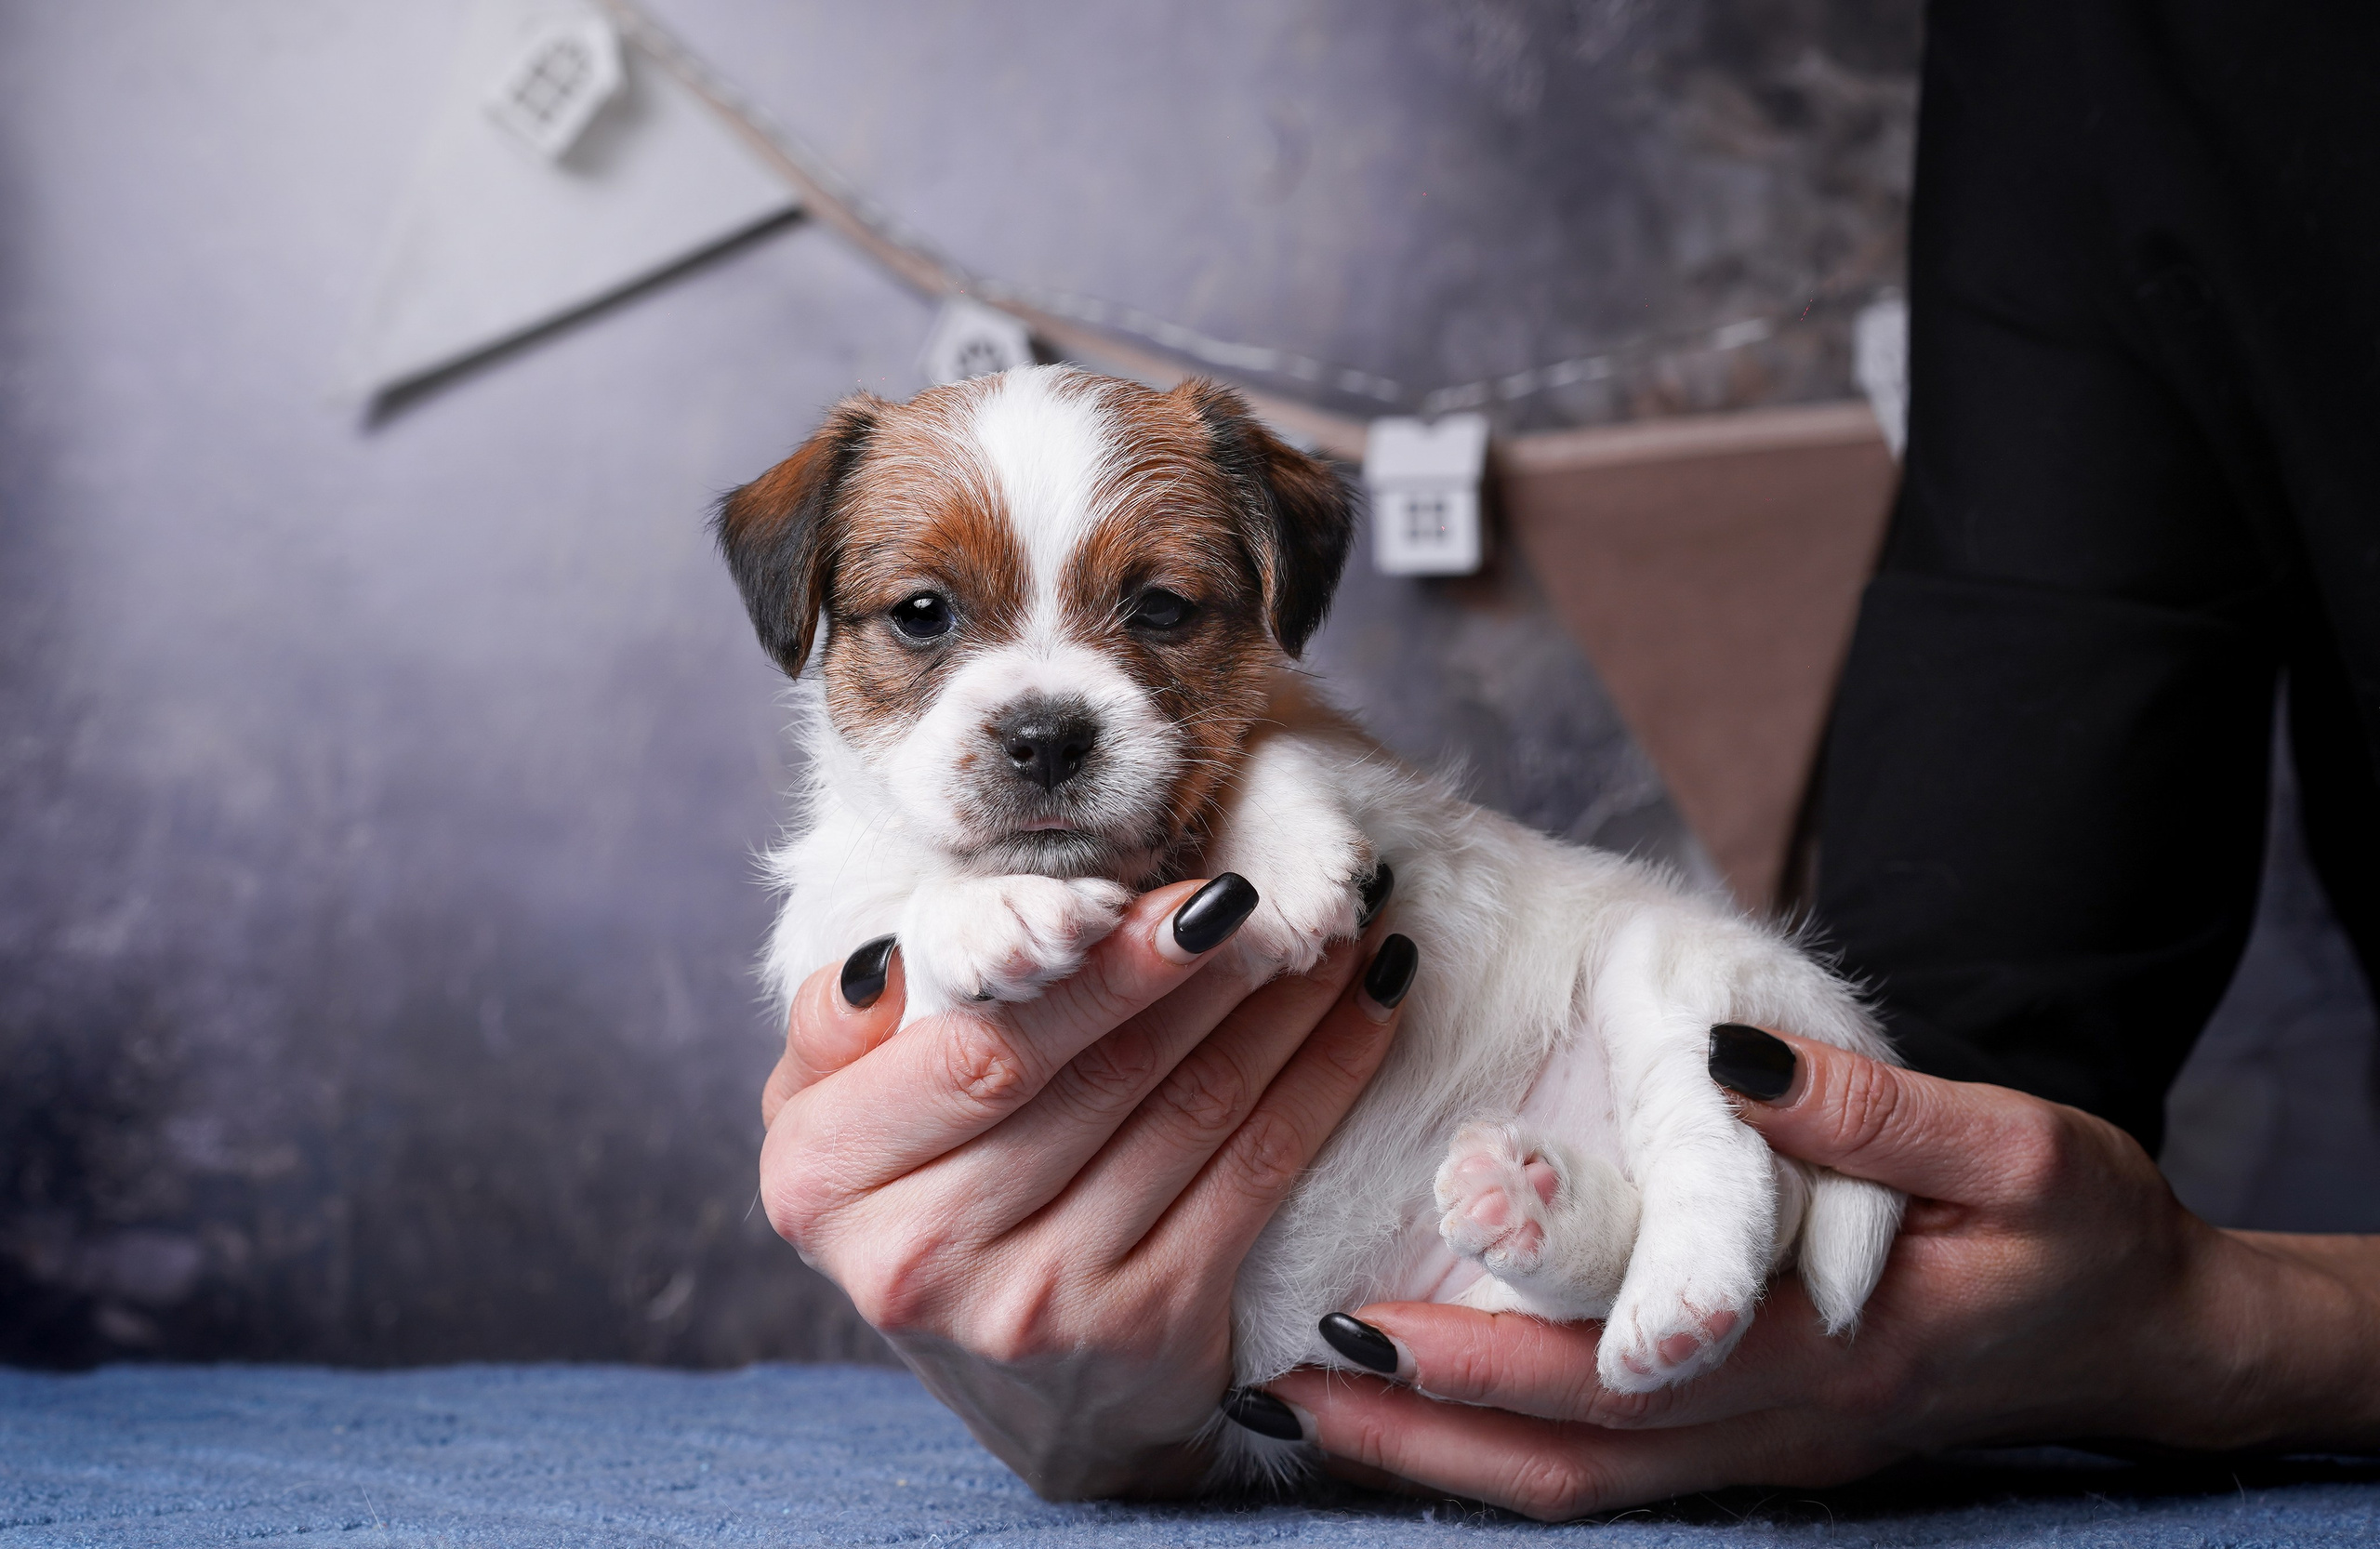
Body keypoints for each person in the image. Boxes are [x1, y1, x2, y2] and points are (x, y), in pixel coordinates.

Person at [755, 0, 2380, 1517]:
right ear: (811, 613)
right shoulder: (2098, 69)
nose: (1041, 709)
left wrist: (2214, 1319)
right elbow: (1987, 1045)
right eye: (923, 617)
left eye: (1163, 611)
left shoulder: (1286, 775)